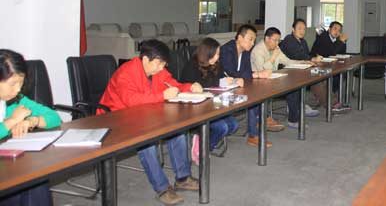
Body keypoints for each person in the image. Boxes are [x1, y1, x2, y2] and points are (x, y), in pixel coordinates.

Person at [98, 40, 202, 206]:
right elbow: (131, 100)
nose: (161, 68)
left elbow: (173, 84)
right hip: (116, 118)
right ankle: (162, 188)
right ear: (146, 59)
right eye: (159, 64)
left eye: (164, 65)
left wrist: (190, 87)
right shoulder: (125, 73)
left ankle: (183, 178)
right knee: (146, 141)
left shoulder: (157, 69)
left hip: (144, 114)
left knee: (177, 130)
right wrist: (162, 96)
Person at [0, 49, 61, 206]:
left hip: (8, 165)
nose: (18, 89)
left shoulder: (16, 100)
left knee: (36, 181)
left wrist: (32, 121)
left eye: (21, 83)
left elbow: (54, 117)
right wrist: (12, 121)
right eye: (13, 84)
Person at [219, 24, 282, 147]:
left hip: (237, 85)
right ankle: (255, 131)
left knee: (255, 94)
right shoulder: (226, 50)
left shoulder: (246, 52)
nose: (252, 43)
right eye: (250, 39)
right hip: (222, 87)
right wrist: (256, 74)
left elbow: (247, 71)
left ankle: (259, 124)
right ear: (240, 38)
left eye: (254, 40)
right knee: (252, 97)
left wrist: (255, 74)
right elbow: (231, 71)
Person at [180, 38, 241, 160]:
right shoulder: (191, 66)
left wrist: (233, 80)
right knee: (222, 127)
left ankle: (206, 144)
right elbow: (197, 85)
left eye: (218, 54)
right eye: (216, 54)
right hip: (195, 109)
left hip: (214, 105)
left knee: (233, 125)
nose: (218, 57)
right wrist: (219, 82)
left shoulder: (216, 64)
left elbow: (223, 78)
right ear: (207, 53)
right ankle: (202, 149)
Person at [250, 27, 316, 129]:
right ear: (267, 39)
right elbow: (262, 71)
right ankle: (292, 119)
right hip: (259, 83)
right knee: (292, 90)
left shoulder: (276, 48)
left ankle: (293, 117)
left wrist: (303, 62)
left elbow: (287, 61)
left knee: (294, 86)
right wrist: (273, 57)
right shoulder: (258, 50)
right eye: (275, 40)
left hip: (273, 79)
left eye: (278, 40)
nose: (277, 43)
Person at [279, 19, 322, 116]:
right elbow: (297, 55)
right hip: (286, 70)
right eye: (299, 28)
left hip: (299, 68)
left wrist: (314, 58)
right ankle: (295, 107)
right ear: (293, 29)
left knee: (317, 76)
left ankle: (299, 105)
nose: (302, 31)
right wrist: (312, 59)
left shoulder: (303, 41)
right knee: (298, 80)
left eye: (304, 29)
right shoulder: (289, 39)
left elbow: (307, 54)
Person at [310, 21, 352, 114]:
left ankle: (326, 96)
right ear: (329, 29)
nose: (337, 32)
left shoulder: (336, 39)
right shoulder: (323, 37)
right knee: (333, 75)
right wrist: (341, 41)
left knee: (342, 74)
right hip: (317, 65)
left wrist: (343, 42)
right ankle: (331, 102)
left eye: (339, 30)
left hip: (328, 64)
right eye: (335, 29)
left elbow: (342, 53)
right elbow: (331, 52)